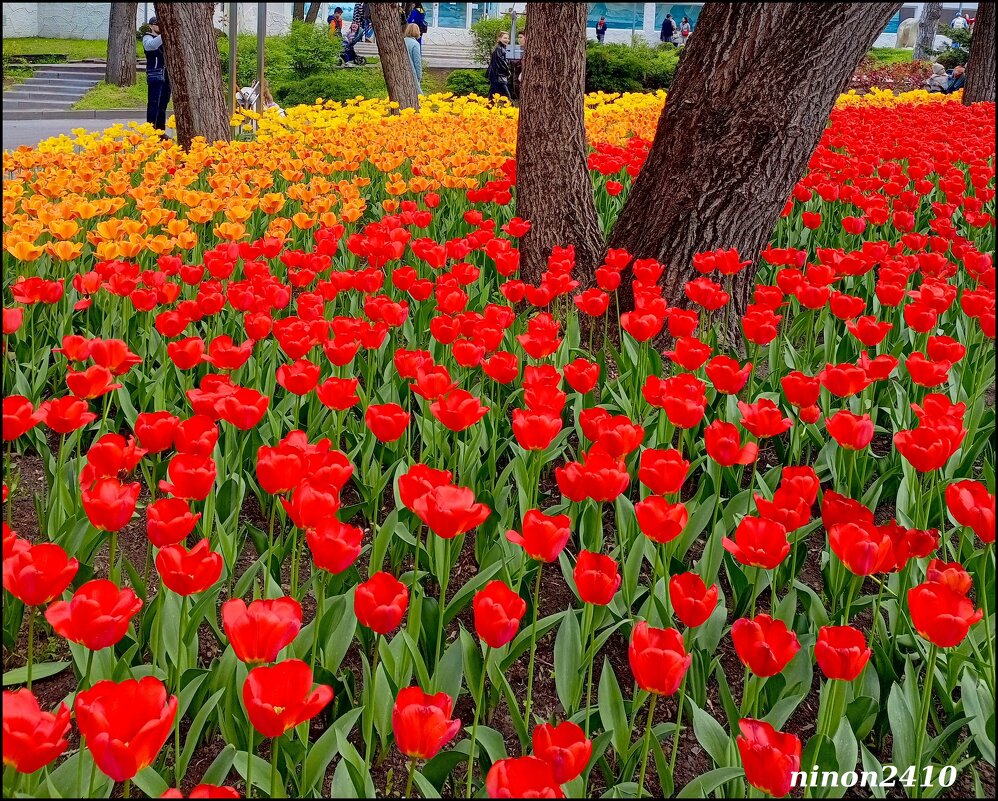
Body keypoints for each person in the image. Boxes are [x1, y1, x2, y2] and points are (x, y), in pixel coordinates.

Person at [142, 16, 170, 136]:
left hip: (167, 74)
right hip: (155, 73)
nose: (159, 26)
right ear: (151, 26)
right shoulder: (147, 37)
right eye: (157, 24)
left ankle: (160, 131)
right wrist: (165, 34)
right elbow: (151, 46)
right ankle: (151, 132)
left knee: (163, 104)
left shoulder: (163, 38)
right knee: (154, 104)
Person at [486, 31, 512, 101]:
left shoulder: (500, 48)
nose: (507, 40)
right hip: (498, 76)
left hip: (495, 76)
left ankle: (486, 109)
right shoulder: (499, 48)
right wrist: (507, 71)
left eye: (508, 38)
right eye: (505, 38)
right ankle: (512, 110)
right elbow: (501, 62)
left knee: (491, 96)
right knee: (507, 97)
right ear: (499, 38)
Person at [404, 22, 423, 93]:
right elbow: (417, 62)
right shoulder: (415, 44)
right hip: (412, 73)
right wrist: (419, 76)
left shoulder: (403, 41)